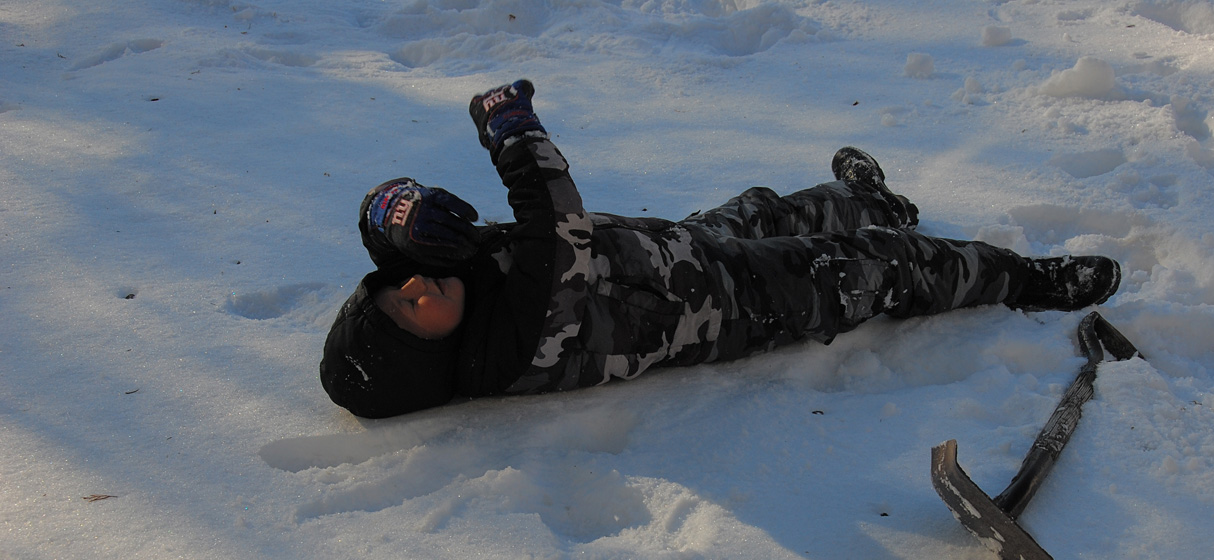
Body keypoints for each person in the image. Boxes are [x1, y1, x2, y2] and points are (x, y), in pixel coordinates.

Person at [320, 80, 1120, 419]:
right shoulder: (511, 349)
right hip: (729, 308)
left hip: (674, 247)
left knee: (766, 209)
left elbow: (383, 233)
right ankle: (1024, 279)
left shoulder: (450, 294)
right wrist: (514, 135)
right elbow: (555, 229)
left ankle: (875, 196)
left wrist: (395, 216)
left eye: (397, 287)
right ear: (435, 360)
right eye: (412, 310)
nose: (419, 286)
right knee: (883, 266)